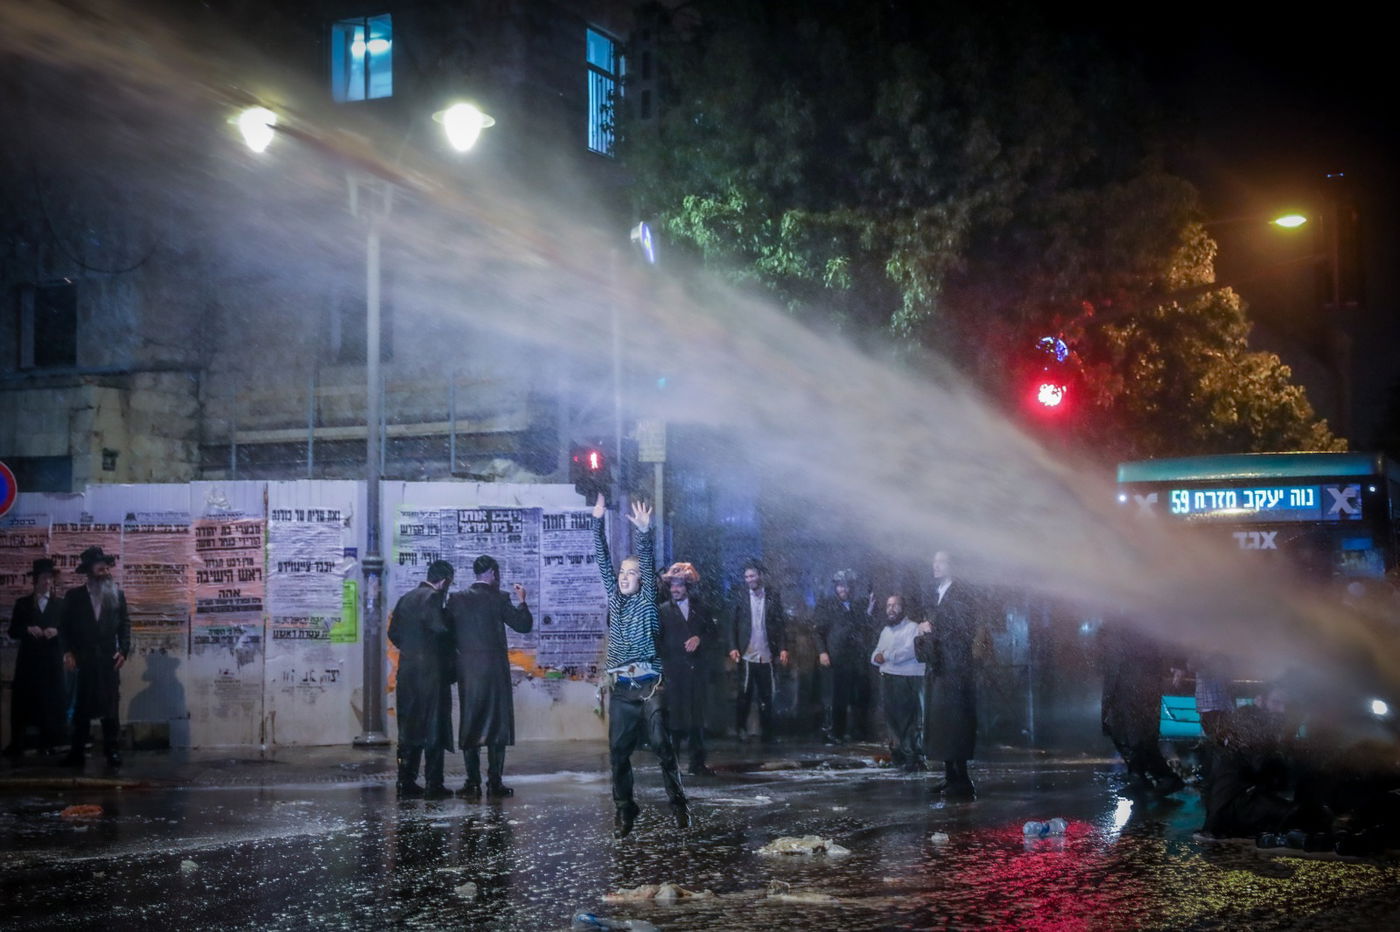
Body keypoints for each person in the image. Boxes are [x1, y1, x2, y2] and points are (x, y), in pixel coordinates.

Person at [593, 494, 689, 838]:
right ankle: (624, 808)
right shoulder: (616, 602)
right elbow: (602, 560)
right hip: (621, 691)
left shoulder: (648, 599)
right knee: (618, 754)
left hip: (649, 686)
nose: (623, 576)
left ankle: (678, 803)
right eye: (622, 572)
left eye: (630, 573)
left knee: (663, 747)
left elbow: (647, 563)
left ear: (641, 580)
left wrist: (645, 533)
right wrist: (597, 521)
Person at [448, 554, 533, 798]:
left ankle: (472, 782)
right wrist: (522, 601)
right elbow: (523, 625)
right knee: (498, 726)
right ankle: (494, 782)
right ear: (493, 573)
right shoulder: (500, 598)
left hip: (469, 671)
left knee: (470, 722)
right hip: (495, 670)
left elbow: (447, 631)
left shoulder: (457, 599)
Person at [388, 559, 456, 798]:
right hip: (432, 674)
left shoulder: (406, 598)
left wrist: (410, 650)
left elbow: (393, 633)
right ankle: (433, 784)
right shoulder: (434, 598)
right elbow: (440, 631)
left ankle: (405, 781)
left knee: (409, 728)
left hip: (407, 673)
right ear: (445, 581)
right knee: (434, 728)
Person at [914, 550, 979, 799]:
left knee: (954, 722)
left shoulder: (960, 593)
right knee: (943, 722)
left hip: (955, 668)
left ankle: (961, 778)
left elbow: (961, 628)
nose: (936, 566)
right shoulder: (939, 593)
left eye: (941, 561)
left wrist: (932, 627)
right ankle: (950, 775)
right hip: (942, 666)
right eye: (934, 561)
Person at [60, 546, 131, 767]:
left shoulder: (116, 595)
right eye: (100, 567)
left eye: (106, 567)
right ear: (89, 570)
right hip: (84, 658)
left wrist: (124, 650)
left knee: (110, 707)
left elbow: (125, 625)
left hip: (108, 659)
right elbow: (64, 628)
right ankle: (77, 752)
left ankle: (112, 751)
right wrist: (68, 652)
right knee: (82, 707)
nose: (105, 571)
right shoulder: (74, 597)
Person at [1098, 618, 1184, 797]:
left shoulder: (1139, 625)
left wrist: (1178, 663)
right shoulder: (1119, 627)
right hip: (1122, 686)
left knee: (1139, 738)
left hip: (1137, 687)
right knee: (1126, 735)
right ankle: (1145, 777)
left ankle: (1158, 777)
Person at [657, 561, 717, 777]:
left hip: (697, 671)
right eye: (672, 585)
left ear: (688, 587)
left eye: (679, 585)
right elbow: (658, 642)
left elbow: (714, 633)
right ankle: (672, 764)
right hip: (674, 672)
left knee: (697, 718)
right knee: (675, 719)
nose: (675, 589)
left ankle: (697, 763)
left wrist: (699, 638)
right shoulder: (662, 611)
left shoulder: (701, 608)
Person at [5, 558, 66, 758]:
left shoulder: (60, 605)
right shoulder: (22, 604)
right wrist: (27, 629)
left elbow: (70, 631)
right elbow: (12, 631)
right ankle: (17, 744)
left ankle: (49, 743)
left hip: (51, 662)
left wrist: (56, 632)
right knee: (23, 702)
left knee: (50, 703)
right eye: (43, 578)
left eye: (50, 578)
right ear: (36, 580)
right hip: (29, 663)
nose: (47, 582)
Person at [726, 558, 788, 743]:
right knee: (744, 694)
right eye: (746, 576)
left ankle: (767, 733)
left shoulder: (772, 596)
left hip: (767, 652)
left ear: (760, 576)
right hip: (747, 652)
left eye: (752, 575)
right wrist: (733, 646)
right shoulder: (739, 596)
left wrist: (783, 648)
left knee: (767, 696)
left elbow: (780, 624)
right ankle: (741, 729)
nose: (749, 579)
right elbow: (731, 623)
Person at [814, 569, 877, 744]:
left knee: (856, 696)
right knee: (836, 697)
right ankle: (835, 733)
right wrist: (822, 652)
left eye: (848, 586)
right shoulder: (827, 605)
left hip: (855, 658)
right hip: (835, 659)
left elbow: (863, 626)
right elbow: (818, 631)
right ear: (836, 587)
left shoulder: (857, 606)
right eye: (841, 586)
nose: (844, 590)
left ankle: (857, 731)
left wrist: (870, 611)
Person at [871, 595, 924, 772]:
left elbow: (909, 651)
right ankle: (898, 755)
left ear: (903, 608)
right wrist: (878, 657)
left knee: (907, 719)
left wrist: (886, 656)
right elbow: (877, 651)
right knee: (891, 718)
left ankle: (912, 757)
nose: (891, 609)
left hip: (906, 677)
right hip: (888, 676)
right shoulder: (886, 630)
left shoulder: (912, 628)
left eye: (895, 605)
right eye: (888, 605)